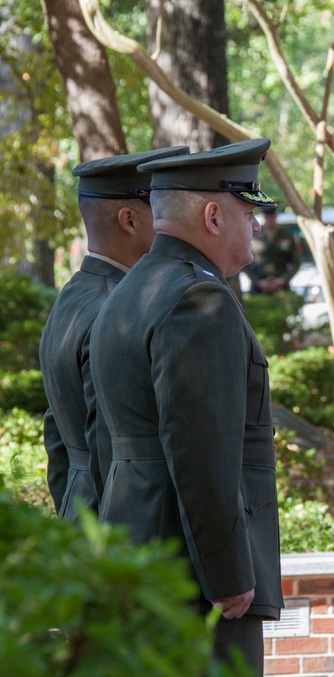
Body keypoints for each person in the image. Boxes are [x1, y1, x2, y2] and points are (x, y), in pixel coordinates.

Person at [90, 138, 284, 674]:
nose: (258, 227)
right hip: (191, 572)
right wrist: (227, 574)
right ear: (214, 215)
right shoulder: (200, 298)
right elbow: (200, 449)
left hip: (139, 547)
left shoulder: (130, 290)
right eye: (250, 212)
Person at [38, 146, 189, 521]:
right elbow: (107, 442)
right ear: (129, 220)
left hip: (80, 514)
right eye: (160, 211)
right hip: (118, 524)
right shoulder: (118, 308)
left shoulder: (73, 295)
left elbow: (57, 436)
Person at [244, 203, 300, 293]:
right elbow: (244, 263)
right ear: (263, 216)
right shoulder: (254, 235)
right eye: (267, 217)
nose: (269, 219)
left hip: (281, 288)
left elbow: (296, 262)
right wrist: (257, 282)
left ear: (276, 216)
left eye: (272, 216)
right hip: (258, 288)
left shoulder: (286, 235)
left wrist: (283, 280)